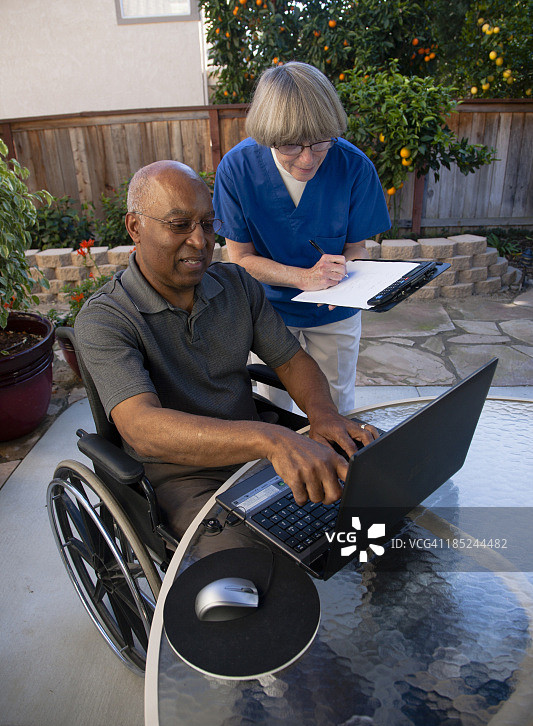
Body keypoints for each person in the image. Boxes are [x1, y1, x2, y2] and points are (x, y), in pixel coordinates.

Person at [74, 160, 378, 545]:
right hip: (179, 477)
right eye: (179, 225)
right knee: (258, 559)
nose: (201, 241)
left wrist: (323, 414)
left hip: (255, 453)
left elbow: (290, 359)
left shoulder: (236, 285)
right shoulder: (106, 319)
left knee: (372, 486)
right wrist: (271, 439)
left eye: (207, 224)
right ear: (135, 227)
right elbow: (142, 429)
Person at [213, 61, 391, 415]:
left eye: (321, 143)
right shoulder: (236, 170)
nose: (308, 159)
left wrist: (344, 285)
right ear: (268, 135)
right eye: (292, 146)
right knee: (271, 403)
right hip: (268, 310)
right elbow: (241, 258)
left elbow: (355, 248)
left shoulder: (354, 167)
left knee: (336, 404)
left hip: (335, 310)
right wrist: (304, 278)